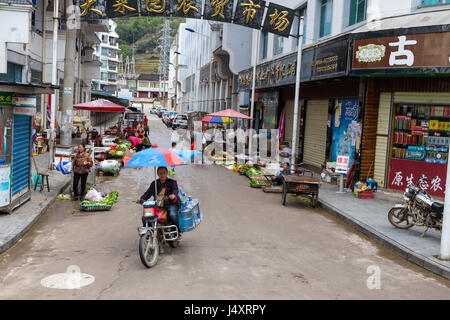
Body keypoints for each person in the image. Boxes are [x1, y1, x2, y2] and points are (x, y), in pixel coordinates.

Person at [137, 167, 181, 234]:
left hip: (169, 204)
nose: (162, 175)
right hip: (157, 205)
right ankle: (149, 232)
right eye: (160, 173)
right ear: (157, 174)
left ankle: (177, 232)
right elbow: (148, 193)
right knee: (145, 217)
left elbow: (175, 190)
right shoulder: (154, 183)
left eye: (164, 173)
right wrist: (141, 199)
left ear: (167, 173)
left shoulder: (172, 182)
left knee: (173, 214)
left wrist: (173, 195)